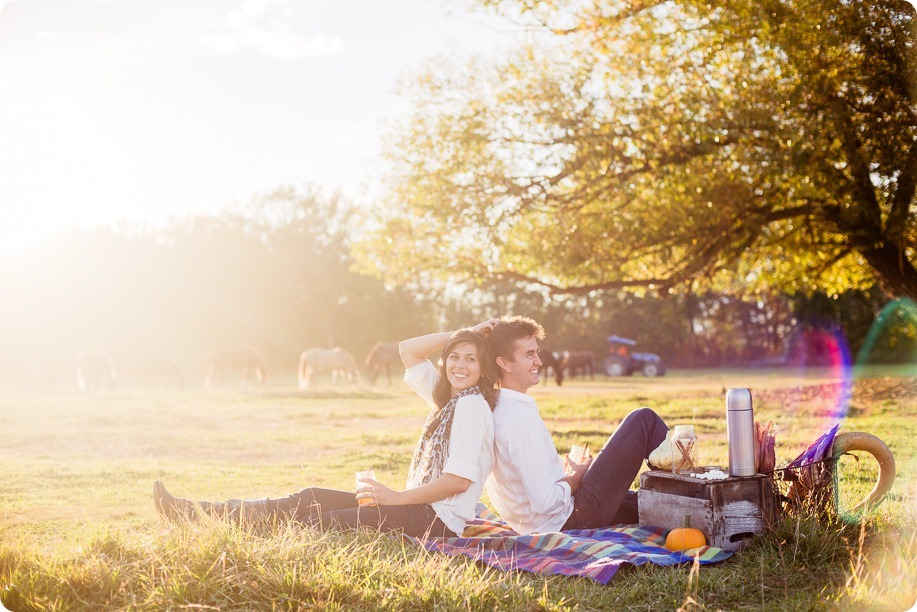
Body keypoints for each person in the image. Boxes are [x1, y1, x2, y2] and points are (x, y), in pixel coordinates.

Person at [153, 321, 500, 539]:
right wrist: (467, 332)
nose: (459, 365)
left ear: (484, 368)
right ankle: (197, 510)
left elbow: (458, 480)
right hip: (417, 507)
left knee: (314, 522)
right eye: (454, 356)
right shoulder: (448, 399)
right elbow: (407, 350)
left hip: (432, 518)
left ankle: (208, 521)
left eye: (471, 359)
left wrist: (396, 497)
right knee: (310, 497)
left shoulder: (470, 407)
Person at [485, 315, 674, 534]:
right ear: (504, 362)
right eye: (529, 354)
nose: (539, 361)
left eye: (537, 352)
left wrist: (564, 476)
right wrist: (574, 479)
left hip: (547, 518)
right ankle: (697, 481)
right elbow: (544, 503)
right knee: (644, 420)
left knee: (651, 503)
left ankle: (699, 500)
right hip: (571, 517)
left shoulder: (501, 407)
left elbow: (530, 480)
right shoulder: (518, 418)